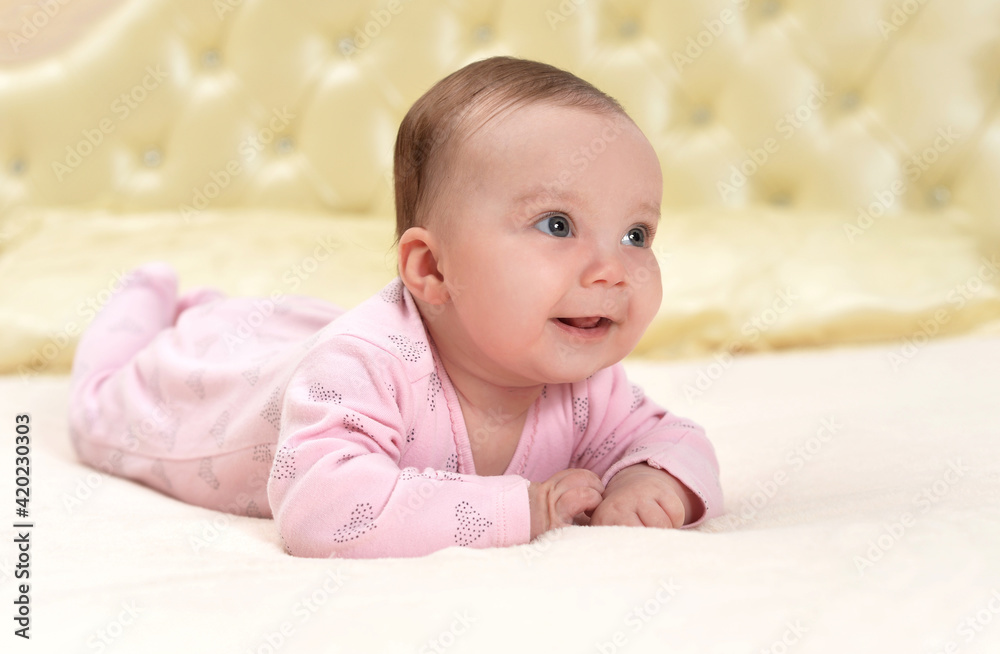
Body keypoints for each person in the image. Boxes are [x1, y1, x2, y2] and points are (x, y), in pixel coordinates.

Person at [69, 56, 723, 559]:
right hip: (206, 396)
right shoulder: (365, 367)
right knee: (104, 401)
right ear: (432, 268)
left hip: (312, 336)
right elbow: (323, 510)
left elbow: (675, 441)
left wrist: (648, 483)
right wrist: (525, 508)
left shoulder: (583, 384)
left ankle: (214, 308)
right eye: (556, 225)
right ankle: (146, 294)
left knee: (288, 327)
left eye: (637, 234)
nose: (613, 269)